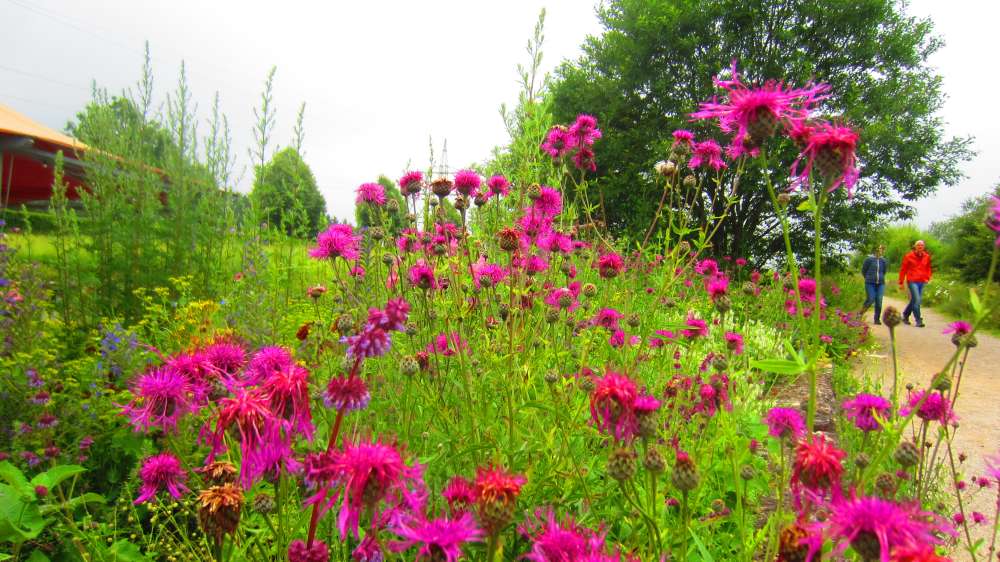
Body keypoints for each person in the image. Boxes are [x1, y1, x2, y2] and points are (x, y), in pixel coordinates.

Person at [898, 240, 933, 327]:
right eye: (918, 245)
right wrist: (901, 282)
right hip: (912, 281)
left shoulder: (927, 256)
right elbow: (903, 270)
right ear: (915, 247)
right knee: (917, 300)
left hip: (922, 281)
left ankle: (905, 315)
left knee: (914, 300)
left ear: (924, 247)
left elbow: (928, 268)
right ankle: (918, 320)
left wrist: (928, 277)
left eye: (922, 245)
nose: (920, 247)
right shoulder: (908, 256)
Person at [860, 244, 888, 324]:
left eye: (883, 249)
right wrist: (869, 278)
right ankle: (860, 313)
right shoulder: (869, 259)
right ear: (875, 250)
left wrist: (881, 278)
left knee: (879, 301)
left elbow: (884, 271)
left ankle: (877, 319)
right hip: (870, 283)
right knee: (870, 299)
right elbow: (864, 271)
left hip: (881, 283)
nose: (881, 250)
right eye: (880, 249)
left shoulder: (883, 261)